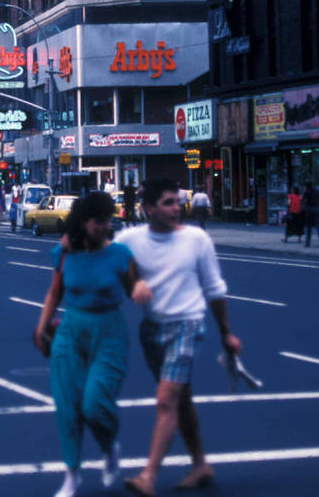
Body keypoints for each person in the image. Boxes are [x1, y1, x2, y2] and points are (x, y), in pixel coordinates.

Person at [116, 179, 241, 496]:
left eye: (178, 202)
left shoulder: (197, 239)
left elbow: (215, 291)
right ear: (148, 209)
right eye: (168, 203)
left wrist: (226, 334)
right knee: (181, 399)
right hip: (152, 329)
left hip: (188, 323)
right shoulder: (130, 239)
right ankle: (200, 464)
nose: (176, 208)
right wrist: (133, 283)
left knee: (165, 399)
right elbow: (110, 264)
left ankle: (148, 476)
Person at [33, 193, 147, 497]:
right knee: (67, 408)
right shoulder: (65, 253)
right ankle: (72, 474)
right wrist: (42, 326)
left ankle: (109, 448)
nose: (106, 226)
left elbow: (133, 285)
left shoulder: (120, 254)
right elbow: (54, 293)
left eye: (108, 220)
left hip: (108, 331)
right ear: (84, 222)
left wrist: (140, 288)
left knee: (95, 403)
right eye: (99, 221)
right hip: (71, 331)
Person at [303, 183, 319, 248]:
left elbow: (304, 201)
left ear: (307, 186)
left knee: (308, 227)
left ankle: (307, 243)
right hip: (316, 210)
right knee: (318, 226)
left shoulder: (306, 192)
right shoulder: (317, 191)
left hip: (309, 210)